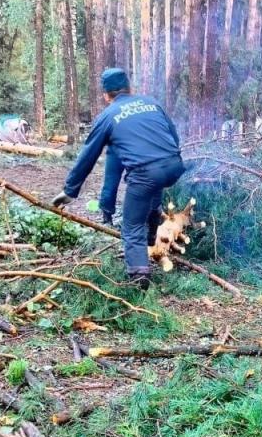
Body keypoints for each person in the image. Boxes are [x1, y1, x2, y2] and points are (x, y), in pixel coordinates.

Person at [53, 68, 185, 286]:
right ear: (130, 88)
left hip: (146, 173)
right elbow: (173, 135)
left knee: (131, 226)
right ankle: (152, 237)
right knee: (151, 194)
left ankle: (138, 277)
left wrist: (69, 191)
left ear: (106, 94)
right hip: (174, 165)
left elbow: (88, 155)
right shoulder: (152, 103)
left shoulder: (107, 115)